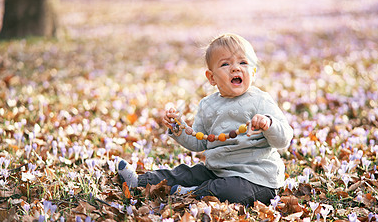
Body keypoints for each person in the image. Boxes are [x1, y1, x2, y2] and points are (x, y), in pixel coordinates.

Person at [118, 33, 293, 205]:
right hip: (217, 171)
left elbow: (283, 139)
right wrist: (179, 128)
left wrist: (269, 124)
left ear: (253, 72)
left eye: (243, 62)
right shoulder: (208, 105)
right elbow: (199, 142)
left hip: (257, 180)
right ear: (211, 77)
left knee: (228, 190)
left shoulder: (260, 100)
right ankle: (140, 181)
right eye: (225, 64)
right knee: (184, 174)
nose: (235, 68)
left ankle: (193, 192)